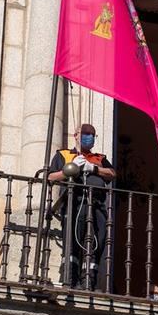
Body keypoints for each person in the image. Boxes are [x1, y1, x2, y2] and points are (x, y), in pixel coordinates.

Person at [48, 124, 116, 290]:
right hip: (74, 203)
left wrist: (92, 168)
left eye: (93, 135)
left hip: (97, 205)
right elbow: (50, 176)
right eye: (86, 134)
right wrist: (69, 171)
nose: (89, 137)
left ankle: (88, 281)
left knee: (94, 243)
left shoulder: (99, 158)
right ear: (76, 135)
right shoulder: (64, 155)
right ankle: (70, 279)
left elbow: (112, 174)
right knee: (72, 240)